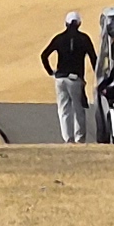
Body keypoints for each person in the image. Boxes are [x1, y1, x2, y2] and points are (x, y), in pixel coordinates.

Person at [41, 10, 98, 144]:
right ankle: (79, 138)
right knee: (78, 109)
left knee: (63, 109)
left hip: (60, 79)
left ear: (66, 23)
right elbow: (94, 59)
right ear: (79, 24)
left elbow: (44, 55)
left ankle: (68, 139)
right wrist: (99, 74)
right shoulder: (84, 38)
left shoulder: (59, 38)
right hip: (75, 79)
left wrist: (51, 72)